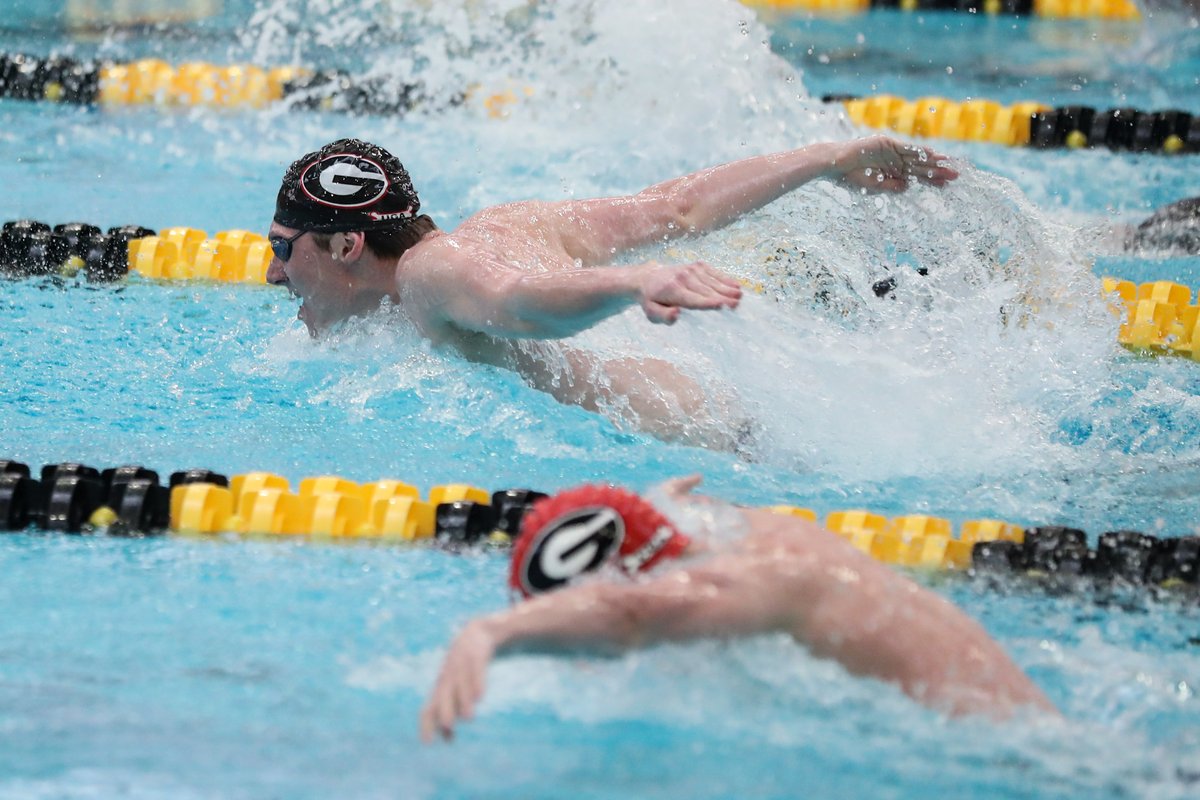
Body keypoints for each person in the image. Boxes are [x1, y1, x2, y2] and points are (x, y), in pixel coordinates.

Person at [265, 135, 959, 448]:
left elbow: (518, 303)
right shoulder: (504, 224)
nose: (273, 274)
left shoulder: (428, 275)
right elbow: (676, 207)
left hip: (729, 450)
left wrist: (632, 282)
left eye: (281, 248)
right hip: (744, 419)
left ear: (344, 244)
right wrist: (825, 158)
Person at [419, 475, 1057, 742]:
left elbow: (628, 616)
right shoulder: (726, 533)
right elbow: (654, 535)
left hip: (1015, 752)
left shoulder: (758, 582)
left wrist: (488, 632)